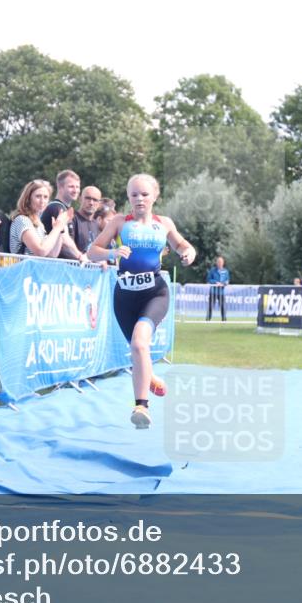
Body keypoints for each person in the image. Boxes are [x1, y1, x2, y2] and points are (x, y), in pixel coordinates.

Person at [88, 174, 196, 429]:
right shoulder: (118, 223)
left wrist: (188, 252)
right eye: (134, 194)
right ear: (128, 197)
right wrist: (112, 252)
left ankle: (141, 407)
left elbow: (182, 245)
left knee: (139, 344)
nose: (139, 199)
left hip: (155, 294)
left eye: (145, 194)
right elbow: (92, 251)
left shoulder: (164, 223)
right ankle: (151, 376)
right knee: (138, 351)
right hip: (124, 297)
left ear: (155, 196)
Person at [8, 179, 69, 257]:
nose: (42, 201)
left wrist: (60, 230)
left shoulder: (39, 224)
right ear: (28, 198)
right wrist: (56, 229)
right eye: (38, 196)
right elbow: (40, 251)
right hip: (23, 268)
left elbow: (52, 255)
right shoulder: (22, 220)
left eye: (45, 197)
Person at [40, 169, 86, 261]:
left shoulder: (64, 208)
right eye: (71, 186)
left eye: (77, 187)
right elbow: (64, 237)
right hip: (53, 265)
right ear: (60, 187)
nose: (75, 190)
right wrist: (80, 256)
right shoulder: (56, 207)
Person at [72, 185, 103, 254]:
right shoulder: (71, 219)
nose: (91, 203)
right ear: (80, 199)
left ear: (99, 204)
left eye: (95, 200)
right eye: (88, 198)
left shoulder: (97, 225)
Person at [206, 256, 230, 322]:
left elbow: (227, 280)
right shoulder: (212, 270)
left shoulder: (225, 271)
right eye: (218, 262)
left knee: (223, 306)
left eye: (221, 262)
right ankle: (208, 319)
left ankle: (224, 320)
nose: (219, 263)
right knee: (210, 306)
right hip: (213, 291)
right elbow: (208, 279)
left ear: (223, 263)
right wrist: (215, 282)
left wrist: (223, 283)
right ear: (216, 263)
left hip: (221, 292)